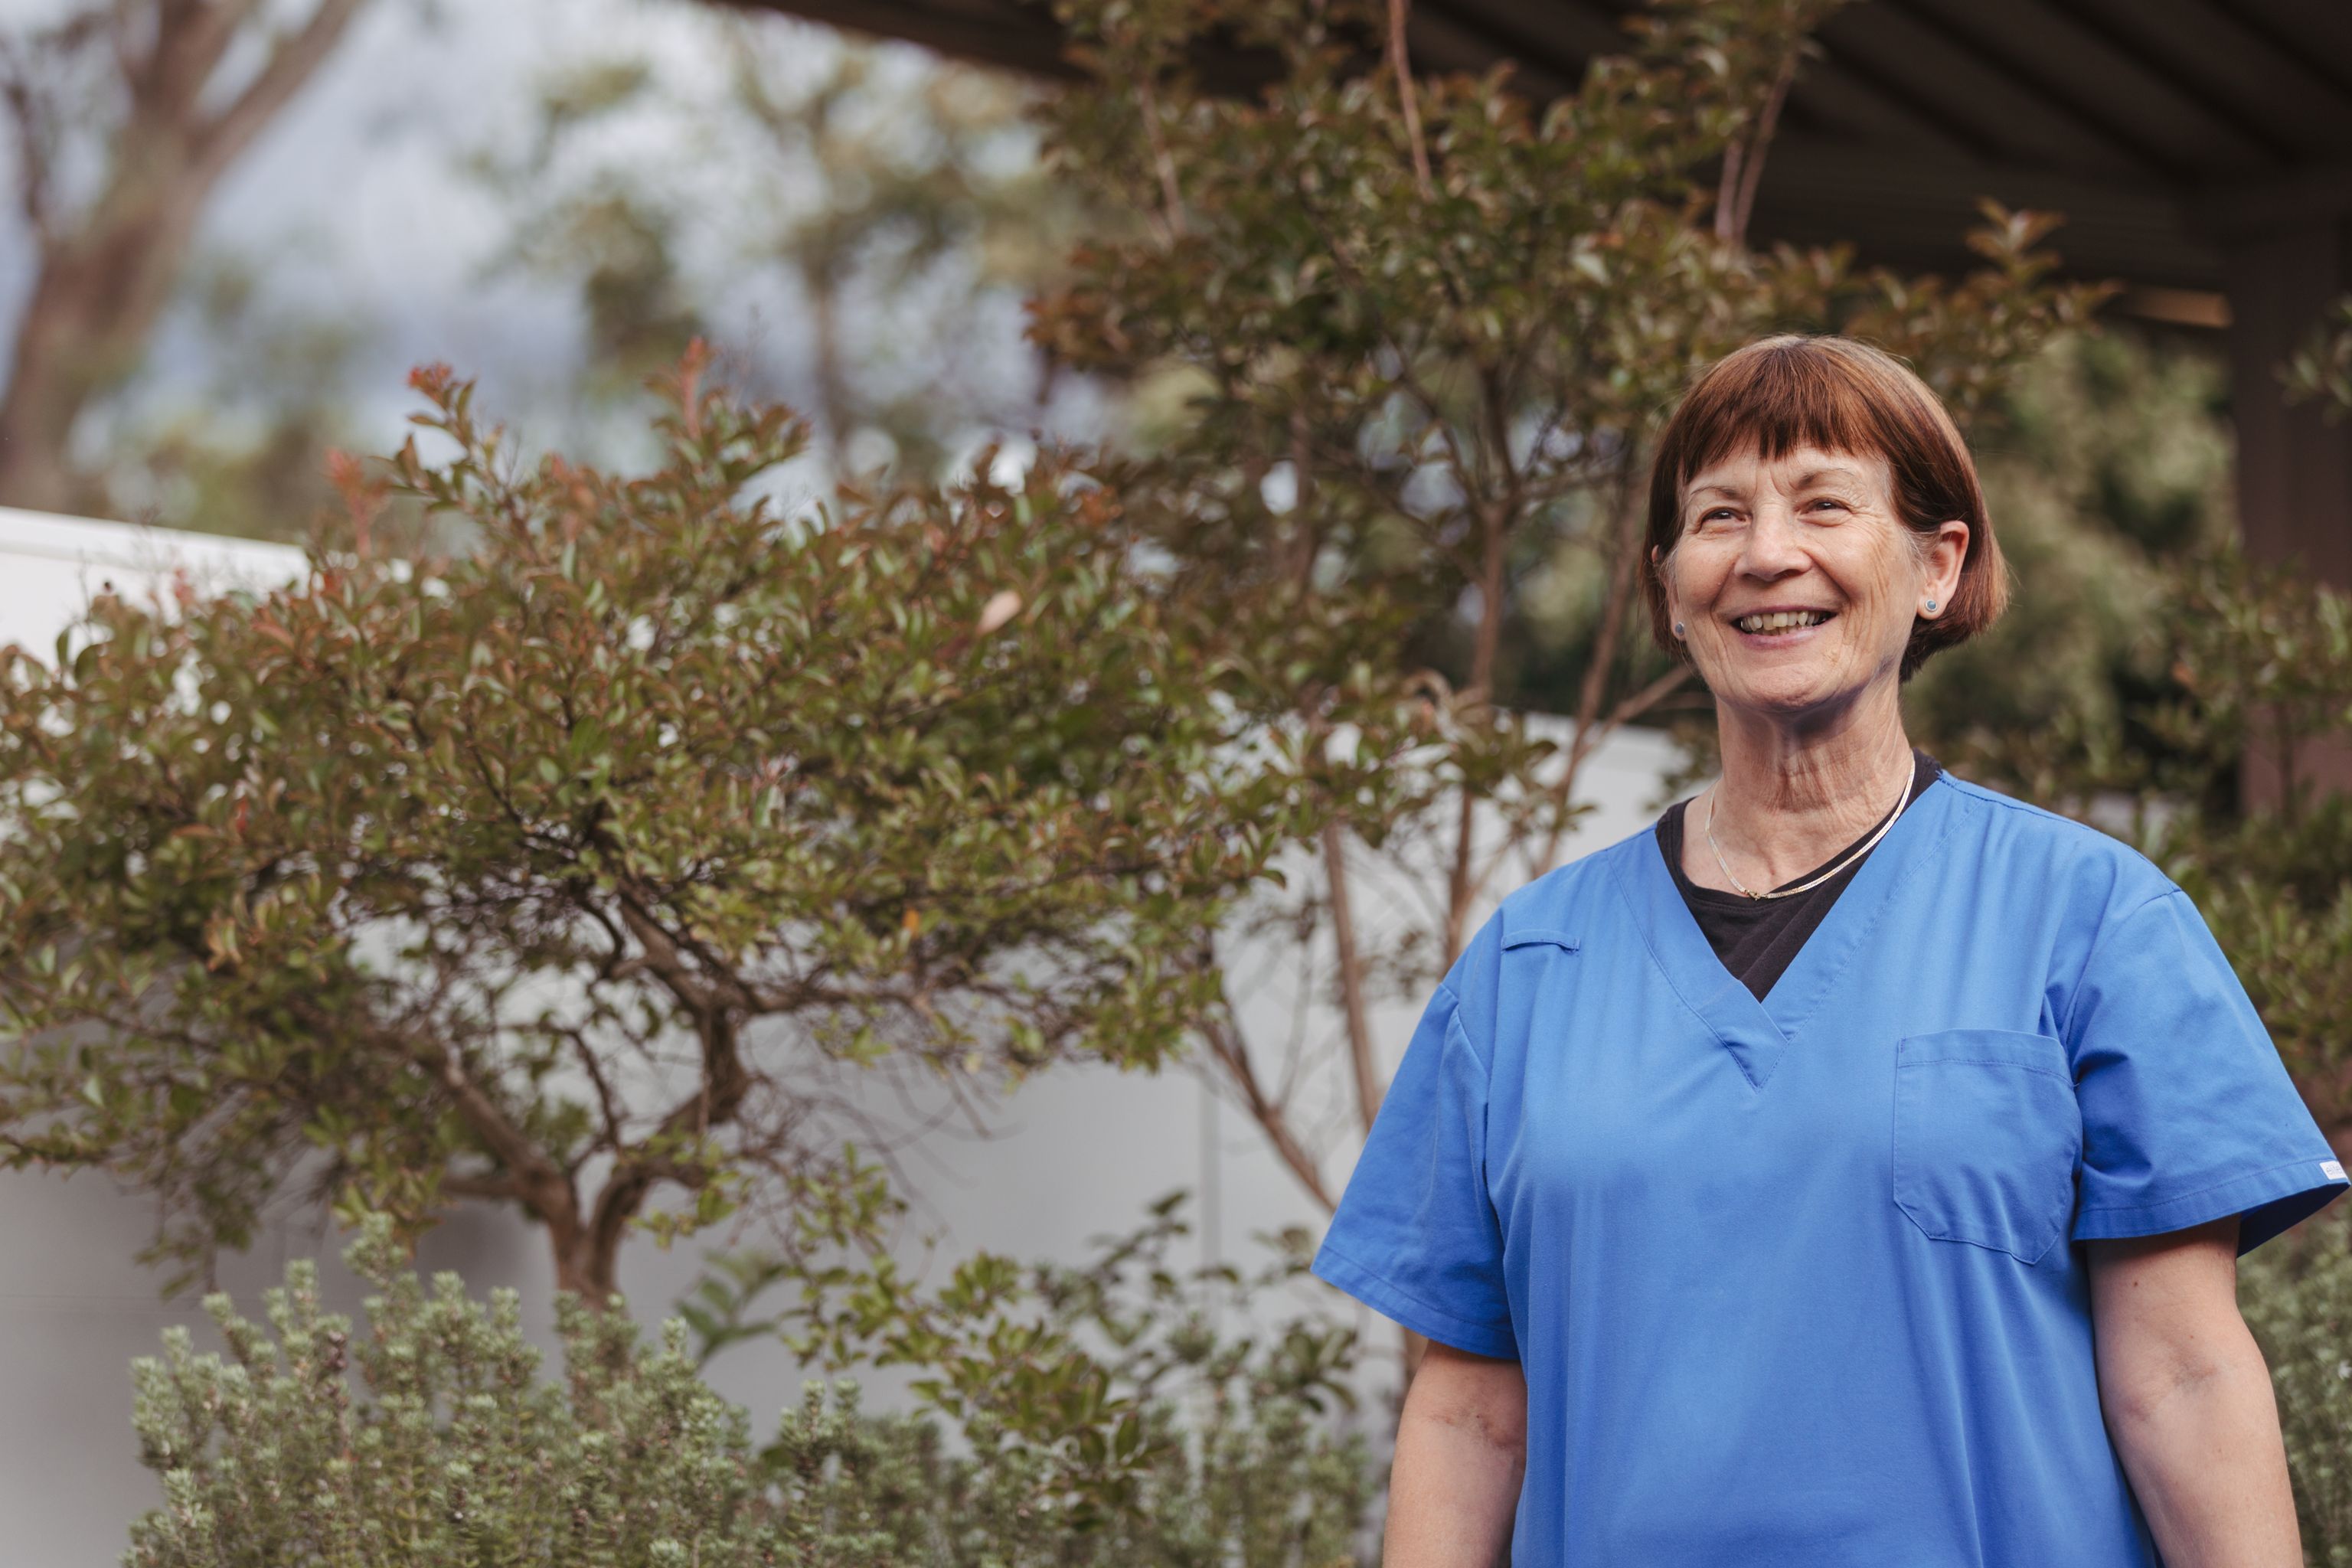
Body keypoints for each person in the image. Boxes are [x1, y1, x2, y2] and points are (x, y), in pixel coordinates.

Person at [1311, 334, 2349, 1567]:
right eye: (1718, 515)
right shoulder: (1527, 970)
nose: (1765, 555)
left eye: (1823, 503)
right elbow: (1473, 1416)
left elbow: (2180, 1375)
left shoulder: (2091, 921)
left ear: (1935, 565)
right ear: (1670, 587)